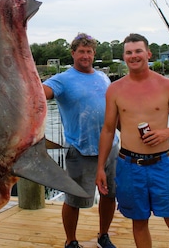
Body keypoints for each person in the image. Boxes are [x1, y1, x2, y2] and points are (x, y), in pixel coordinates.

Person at [96, 33, 169, 248]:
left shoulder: (167, 86)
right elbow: (108, 130)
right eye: (129, 52)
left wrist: (165, 133)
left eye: (138, 51)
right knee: (139, 223)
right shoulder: (115, 89)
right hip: (129, 166)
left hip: (161, 165)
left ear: (148, 53)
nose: (134, 56)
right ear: (124, 57)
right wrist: (101, 168)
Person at [43, 33, 119, 248]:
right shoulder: (62, 79)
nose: (85, 56)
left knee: (109, 194)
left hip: (111, 147)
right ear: (73, 53)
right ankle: (71, 240)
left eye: (89, 52)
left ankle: (104, 235)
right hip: (80, 149)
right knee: (74, 199)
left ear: (94, 54)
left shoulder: (103, 77)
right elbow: (39, 94)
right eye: (81, 51)